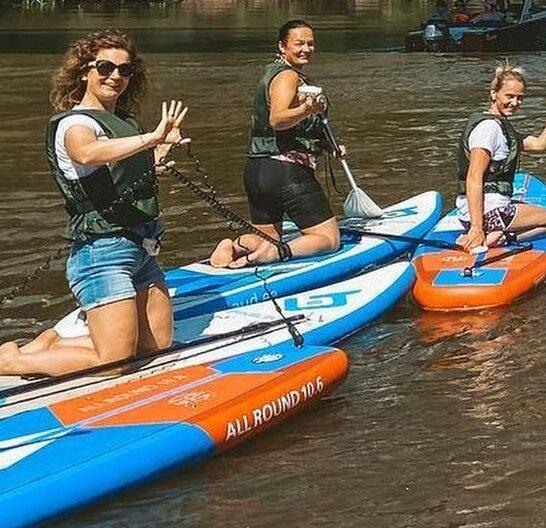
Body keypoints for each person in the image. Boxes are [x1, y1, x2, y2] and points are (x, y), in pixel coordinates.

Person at [1, 30, 187, 376]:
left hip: (143, 248)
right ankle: (10, 360)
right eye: (105, 67)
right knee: (114, 362)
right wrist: (151, 139)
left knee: (157, 345)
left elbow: (120, 179)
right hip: (103, 253)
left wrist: (156, 158)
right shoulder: (75, 122)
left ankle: (51, 343)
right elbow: (85, 152)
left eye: (124, 70)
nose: (115, 76)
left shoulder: (124, 122)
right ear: (84, 70)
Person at [211, 20, 344, 268]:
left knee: (267, 238)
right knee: (328, 238)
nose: (306, 49)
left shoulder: (273, 73)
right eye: (299, 43)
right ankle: (277, 253)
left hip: (258, 170)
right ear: (282, 46)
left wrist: (326, 144)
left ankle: (235, 246)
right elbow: (278, 119)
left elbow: (290, 128)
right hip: (286, 173)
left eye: (311, 43)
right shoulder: (288, 76)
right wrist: (307, 107)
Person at [457, 63, 546, 250]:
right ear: (494, 94)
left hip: (469, 215)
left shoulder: (499, 126)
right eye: (509, 96)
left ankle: (493, 231)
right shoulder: (489, 129)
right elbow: (474, 177)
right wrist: (477, 228)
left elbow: (539, 145)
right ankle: (500, 236)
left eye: (520, 98)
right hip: (488, 216)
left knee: (526, 210)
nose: (515, 103)